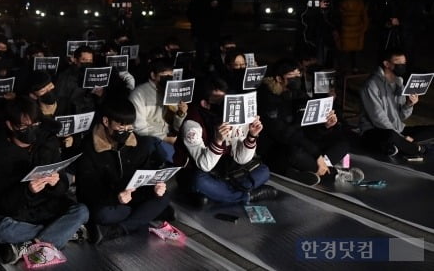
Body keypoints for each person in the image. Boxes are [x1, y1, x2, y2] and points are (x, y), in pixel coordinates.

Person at [0, 97, 89, 264]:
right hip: (18, 215)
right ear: (10, 126)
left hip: (48, 207)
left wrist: (56, 183)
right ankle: (62, 233)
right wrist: (27, 191)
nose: (31, 130)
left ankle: (28, 246)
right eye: (24, 127)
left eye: (35, 125)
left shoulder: (48, 142)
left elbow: (63, 187)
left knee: (82, 211)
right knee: (1, 230)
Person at [77, 97, 171, 244]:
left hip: (133, 196)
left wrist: (155, 187)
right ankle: (142, 216)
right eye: (121, 128)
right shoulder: (88, 148)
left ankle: (118, 230)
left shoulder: (139, 144)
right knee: (104, 215)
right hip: (109, 202)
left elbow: (145, 174)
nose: (126, 132)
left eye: (129, 128)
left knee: (163, 198)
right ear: (106, 122)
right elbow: (88, 190)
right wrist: (116, 198)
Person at [174, 77, 276, 205]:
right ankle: (246, 196)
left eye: (226, 99)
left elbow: (241, 159)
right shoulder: (192, 124)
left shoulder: (230, 116)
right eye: (219, 100)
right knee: (198, 181)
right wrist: (218, 140)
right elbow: (205, 165)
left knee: (263, 171)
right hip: (198, 170)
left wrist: (251, 136)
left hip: (225, 170)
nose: (225, 104)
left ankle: (222, 194)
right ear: (205, 103)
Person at [256, 58, 348, 186]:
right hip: (278, 148)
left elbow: (308, 129)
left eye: (298, 75)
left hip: (302, 143)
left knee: (341, 142)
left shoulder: (298, 95)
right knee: (296, 153)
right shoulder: (267, 98)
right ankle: (329, 173)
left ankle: (318, 169)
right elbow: (284, 134)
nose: (296, 79)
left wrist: (325, 126)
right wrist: (316, 154)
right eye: (291, 76)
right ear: (279, 78)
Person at [359, 49, 434, 157]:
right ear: (387, 64)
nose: (402, 66)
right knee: (390, 136)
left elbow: (401, 117)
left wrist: (409, 104)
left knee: (431, 130)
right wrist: (401, 138)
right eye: (399, 64)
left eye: (404, 63)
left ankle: (402, 146)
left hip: (398, 130)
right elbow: (378, 119)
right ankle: (417, 149)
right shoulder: (371, 85)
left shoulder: (399, 82)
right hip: (375, 131)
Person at [129, 58, 187, 164]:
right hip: (152, 139)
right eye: (165, 76)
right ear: (153, 75)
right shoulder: (138, 94)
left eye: (171, 76)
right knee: (173, 159)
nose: (169, 80)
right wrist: (164, 138)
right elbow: (139, 127)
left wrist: (181, 114)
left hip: (171, 135)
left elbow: (176, 126)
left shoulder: (171, 91)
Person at [187, 0, 229, 66]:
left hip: (215, 32)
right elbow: (192, 13)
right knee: (201, 55)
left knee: (215, 54)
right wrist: (208, 7)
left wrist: (218, 9)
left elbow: (225, 12)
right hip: (201, 32)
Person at [387, 0, 426, 67]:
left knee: (406, 65)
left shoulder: (416, 1)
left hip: (409, 40)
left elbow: (419, 22)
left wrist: (400, 22)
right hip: (395, 38)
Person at [300, 0, 337, 68]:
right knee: (309, 58)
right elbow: (304, 5)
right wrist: (317, 5)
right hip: (308, 34)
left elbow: (331, 14)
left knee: (326, 57)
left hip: (324, 34)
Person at [337, 0, 368, 73]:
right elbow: (364, 17)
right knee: (355, 52)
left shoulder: (341, 4)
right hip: (357, 31)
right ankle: (355, 68)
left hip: (345, 32)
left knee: (344, 51)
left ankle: (343, 71)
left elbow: (338, 18)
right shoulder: (360, 3)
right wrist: (363, 28)